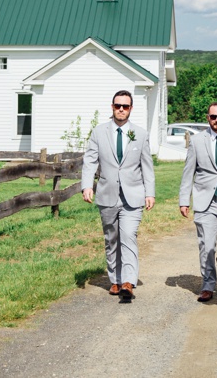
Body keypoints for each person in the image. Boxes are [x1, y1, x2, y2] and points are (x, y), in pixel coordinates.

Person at [81, 90, 155, 301]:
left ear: (131, 108)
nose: (121, 109)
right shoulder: (98, 132)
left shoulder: (140, 134)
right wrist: (87, 185)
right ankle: (115, 279)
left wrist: (150, 193)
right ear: (112, 107)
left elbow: (147, 167)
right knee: (111, 238)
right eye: (117, 105)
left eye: (125, 106)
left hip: (133, 195)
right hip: (107, 194)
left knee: (129, 236)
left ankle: (128, 282)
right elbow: (90, 161)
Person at [178, 102, 217, 302]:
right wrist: (183, 200)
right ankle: (208, 285)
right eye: (213, 117)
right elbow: (188, 172)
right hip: (205, 200)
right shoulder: (197, 141)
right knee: (206, 244)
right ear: (208, 118)